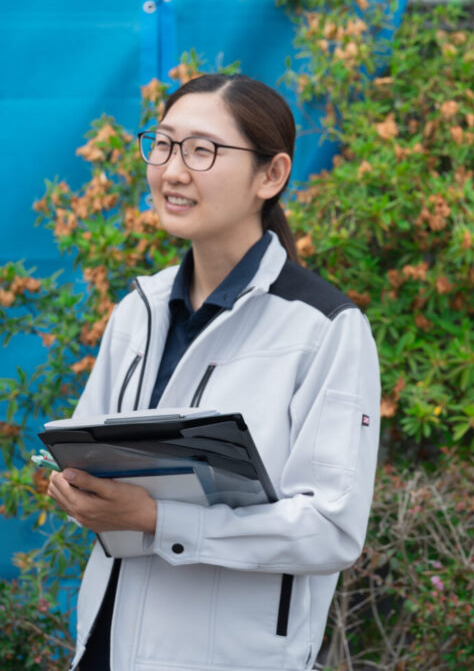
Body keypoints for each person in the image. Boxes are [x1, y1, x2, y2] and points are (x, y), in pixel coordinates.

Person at [47, 73, 381, 670]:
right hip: (107, 645)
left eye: (203, 150)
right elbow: (89, 450)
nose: (173, 171)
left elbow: (331, 528)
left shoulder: (324, 329)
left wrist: (157, 519)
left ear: (270, 176)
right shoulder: (139, 311)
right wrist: (79, 490)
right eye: (165, 144)